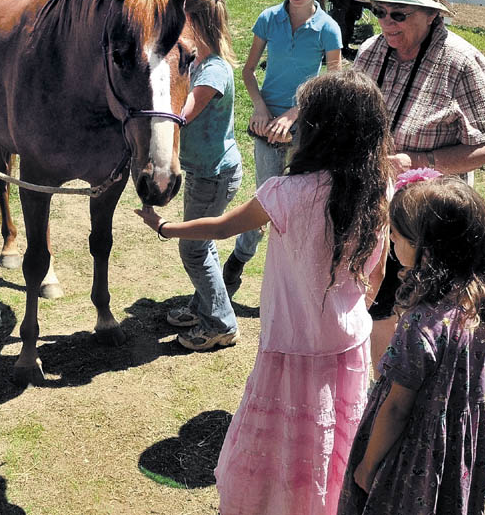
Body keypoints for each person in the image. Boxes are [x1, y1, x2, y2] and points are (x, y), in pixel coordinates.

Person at [136, 69, 391, 514]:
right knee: (336, 439)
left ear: (314, 130)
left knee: (282, 443)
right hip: (348, 343)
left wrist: (165, 227)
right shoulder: (380, 188)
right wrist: (354, 312)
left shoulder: (286, 192)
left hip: (289, 346)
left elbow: (220, 227)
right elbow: (379, 271)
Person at [353, 0, 485, 373]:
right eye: (379, 11)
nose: (385, 23)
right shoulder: (370, 51)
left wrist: (420, 159)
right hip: (375, 207)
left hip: (432, 221)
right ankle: (379, 396)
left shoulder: (462, 61)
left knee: (426, 314)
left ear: (430, 15)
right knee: (376, 304)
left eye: (397, 14)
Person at [338, 172, 485, 515]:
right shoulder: (481, 301)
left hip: (412, 449)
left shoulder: (421, 323)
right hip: (455, 446)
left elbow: (398, 408)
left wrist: (368, 466)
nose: (392, 245)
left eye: (396, 237)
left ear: (426, 249)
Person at [221, 0, 342, 294]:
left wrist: (293, 114)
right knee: (268, 201)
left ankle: (296, 280)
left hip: (305, 128)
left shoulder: (328, 29)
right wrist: (260, 109)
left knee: (304, 204)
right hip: (266, 125)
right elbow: (247, 72)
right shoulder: (268, 19)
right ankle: (239, 260)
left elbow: (332, 83)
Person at [165, 0, 243, 351]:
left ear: (194, 21)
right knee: (203, 243)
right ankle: (203, 306)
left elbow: (183, 115)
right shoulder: (197, 60)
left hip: (214, 175)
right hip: (204, 171)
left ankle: (222, 324)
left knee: (193, 249)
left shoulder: (213, 71)